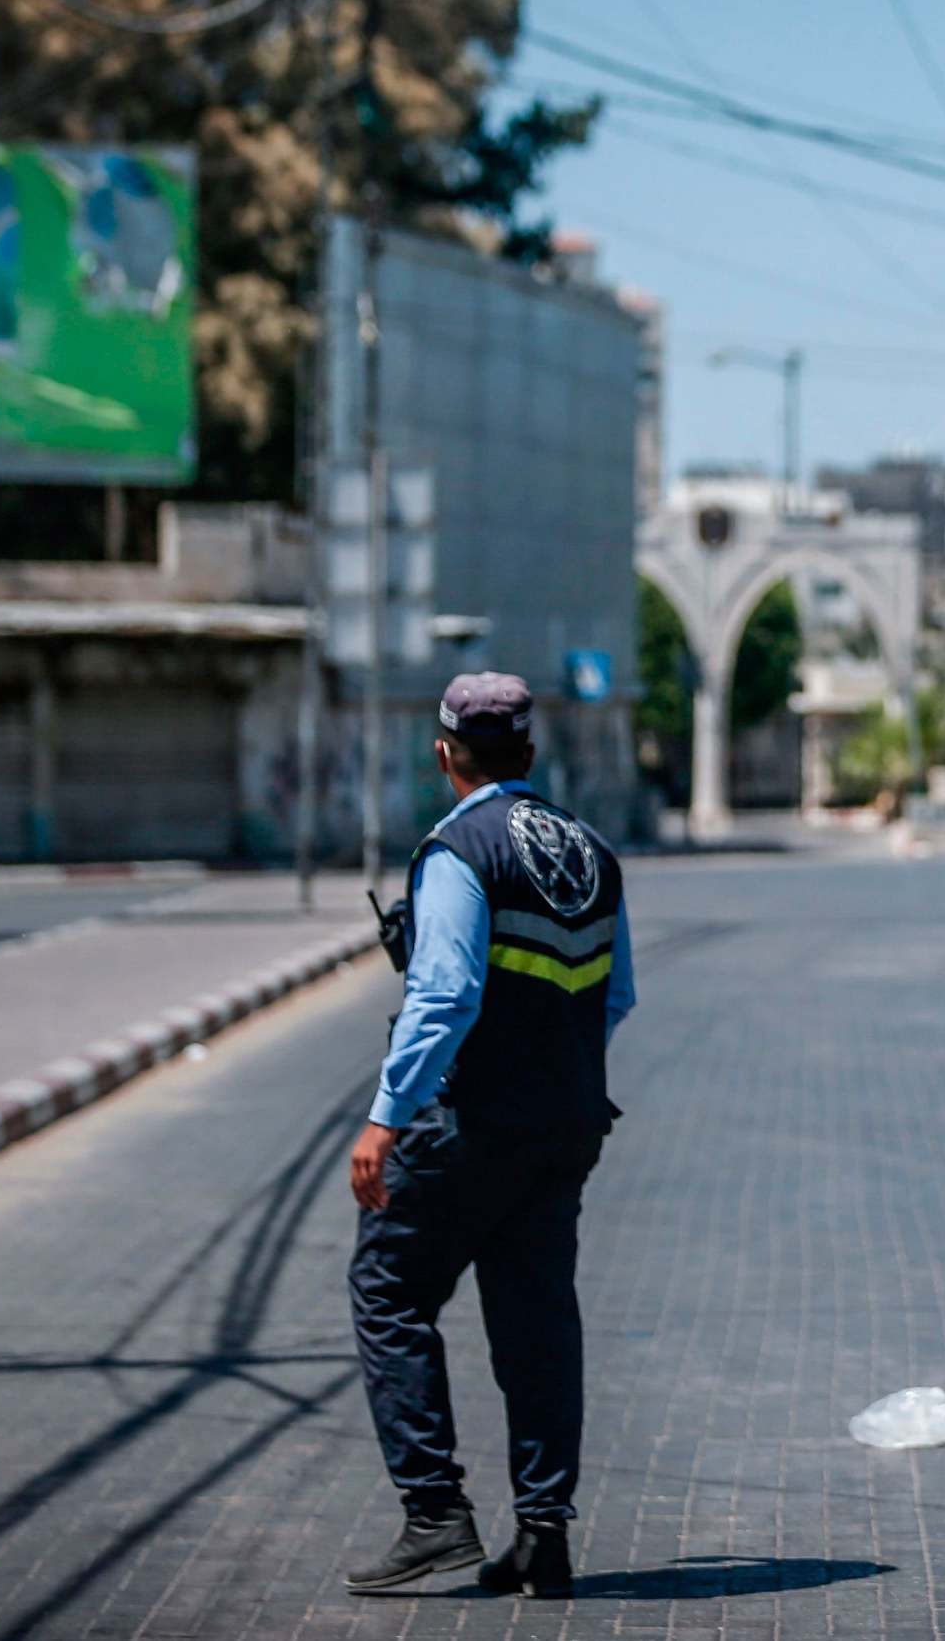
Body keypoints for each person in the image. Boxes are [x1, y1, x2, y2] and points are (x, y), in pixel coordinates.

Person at [343, 672, 635, 1598]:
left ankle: (434, 1515)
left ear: (445, 755)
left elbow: (445, 992)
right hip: (567, 1124)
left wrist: (388, 1115)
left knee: (387, 1291)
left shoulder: (456, 849)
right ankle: (543, 1536)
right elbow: (615, 994)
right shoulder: (591, 851)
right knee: (536, 1323)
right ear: (530, 754)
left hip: (471, 1126)